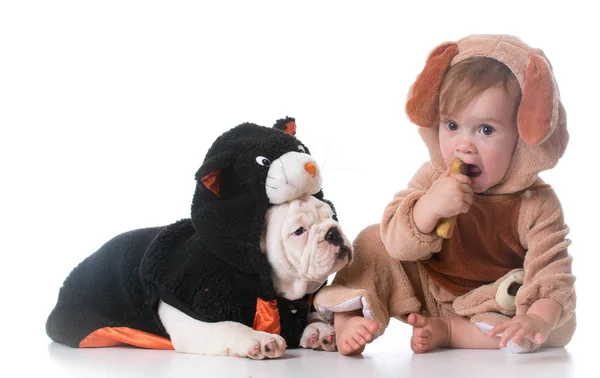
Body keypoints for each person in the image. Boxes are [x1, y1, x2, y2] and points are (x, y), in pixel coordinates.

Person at [314, 34, 576, 355]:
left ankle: (454, 332)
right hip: (427, 290)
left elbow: (552, 273)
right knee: (374, 240)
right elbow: (398, 242)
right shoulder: (433, 178)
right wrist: (428, 208)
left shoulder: (537, 204)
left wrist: (536, 318)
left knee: (557, 322)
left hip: (490, 303)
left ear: (520, 140)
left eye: (486, 130)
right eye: (452, 125)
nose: (463, 145)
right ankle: (349, 315)